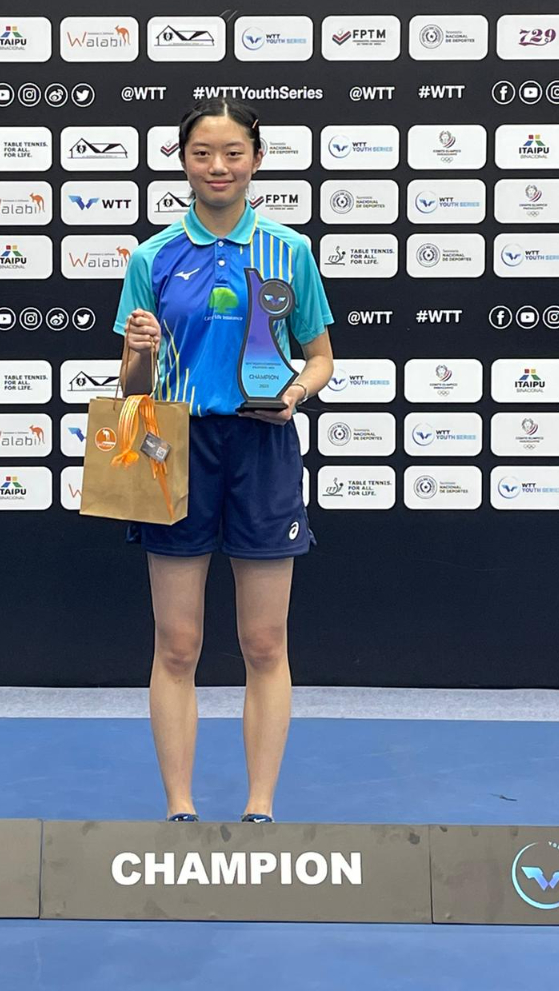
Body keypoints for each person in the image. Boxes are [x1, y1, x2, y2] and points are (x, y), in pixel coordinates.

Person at [112, 94, 335, 824]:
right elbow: (133, 390)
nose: (218, 166)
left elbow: (320, 356)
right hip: (172, 444)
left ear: (256, 160)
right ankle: (179, 808)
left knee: (264, 641)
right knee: (177, 643)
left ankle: (260, 808)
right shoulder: (151, 257)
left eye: (233, 153)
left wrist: (295, 392)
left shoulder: (287, 250)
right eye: (203, 153)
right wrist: (137, 354)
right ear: (183, 161)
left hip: (261, 445)